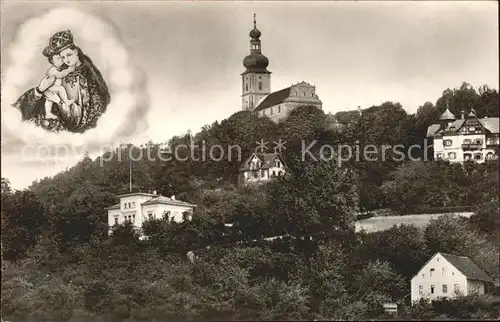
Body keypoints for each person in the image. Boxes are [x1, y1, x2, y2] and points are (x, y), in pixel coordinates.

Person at [13, 30, 111, 133]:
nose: (66, 60)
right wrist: (39, 90)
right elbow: (45, 93)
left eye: (69, 55)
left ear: (76, 52)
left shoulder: (87, 77)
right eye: (63, 57)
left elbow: (78, 120)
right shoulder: (61, 69)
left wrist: (59, 102)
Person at [42, 50, 76, 119]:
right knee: (60, 88)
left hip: (54, 89)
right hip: (51, 88)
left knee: (49, 101)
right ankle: (66, 102)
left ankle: (48, 113)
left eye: (61, 58)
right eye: (58, 58)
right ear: (52, 61)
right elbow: (60, 75)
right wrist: (69, 70)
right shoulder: (52, 70)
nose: (61, 59)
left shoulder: (59, 68)